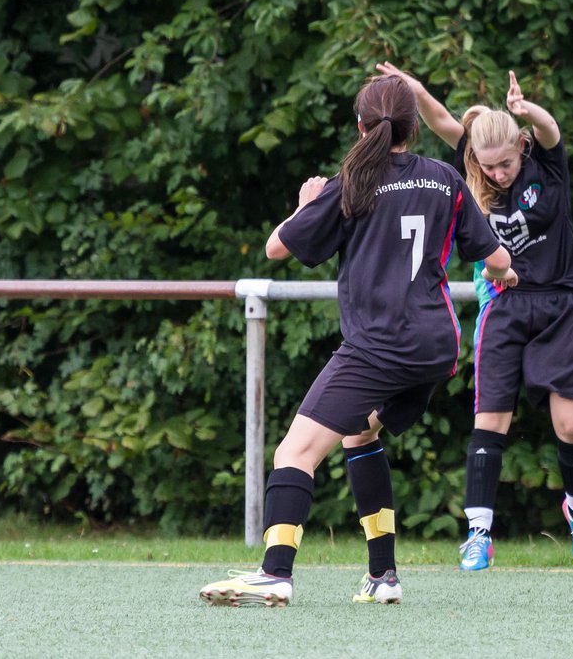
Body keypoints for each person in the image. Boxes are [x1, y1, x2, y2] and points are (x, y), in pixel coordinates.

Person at [198, 73, 515, 607]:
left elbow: (277, 248)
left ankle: (276, 572)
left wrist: (306, 203)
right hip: (437, 349)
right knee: (360, 436)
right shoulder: (444, 178)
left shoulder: (352, 183)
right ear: (413, 129)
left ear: (362, 125)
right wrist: (504, 276)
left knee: (293, 452)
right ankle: (382, 576)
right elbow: (499, 259)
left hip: (379, 347)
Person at [376, 62, 573, 572]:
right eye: (487, 164)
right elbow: (441, 122)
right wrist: (415, 89)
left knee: (569, 426)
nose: (496, 174)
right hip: (504, 303)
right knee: (490, 418)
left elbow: (549, 129)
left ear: (520, 148)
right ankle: (479, 534)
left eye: (504, 164)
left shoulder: (546, 164)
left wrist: (526, 110)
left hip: (563, 301)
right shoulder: (473, 163)